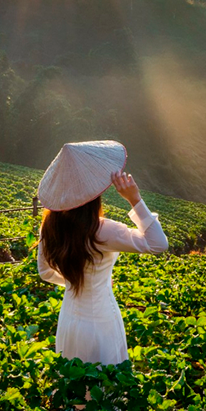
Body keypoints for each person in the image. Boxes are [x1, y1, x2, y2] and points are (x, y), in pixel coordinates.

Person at [35, 141, 168, 368]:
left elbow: (45, 272)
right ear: (94, 193)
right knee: (105, 387)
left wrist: (73, 279)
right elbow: (158, 244)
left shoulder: (49, 225)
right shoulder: (103, 230)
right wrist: (134, 199)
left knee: (75, 384)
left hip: (69, 320)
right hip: (101, 321)